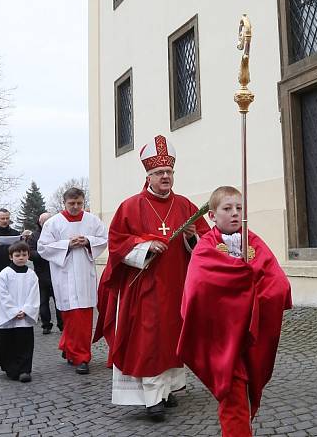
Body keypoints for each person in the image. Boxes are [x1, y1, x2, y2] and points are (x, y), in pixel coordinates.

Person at [95, 135, 209, 422]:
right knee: (149, 340)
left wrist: (192, 238)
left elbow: (208, 241)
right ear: (148, 176)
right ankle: (151, 398)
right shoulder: (130, 206)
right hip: (145, 288)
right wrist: (145, 246)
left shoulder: (184, 205)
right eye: (160, 173)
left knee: (173, 337)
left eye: (169, 172)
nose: (165, 177)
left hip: (177, 285)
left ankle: (167, 390)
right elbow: (117, 242)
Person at [178, 186, 292, 436]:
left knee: (248, 393)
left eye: (239, 208)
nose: (234, 213)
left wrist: (253, 293)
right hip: (220, 337)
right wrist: (239, 281)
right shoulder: (205, 246)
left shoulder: (253, 241)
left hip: (251, 335)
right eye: (227, 208)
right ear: (212, 215)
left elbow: (278, 283)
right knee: (233, 394)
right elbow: (198, 287)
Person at [38, 188, 108, 376]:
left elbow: (104, 239)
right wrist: (67, 244)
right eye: (72, 204)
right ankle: (70, 347)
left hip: (85, 275)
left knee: (83, 318)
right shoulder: (53, 223)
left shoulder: (92, 220)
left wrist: (87, 241)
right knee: (70, 316)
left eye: (79, 203)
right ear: (64, 203)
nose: (76, 207)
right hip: (65, 276)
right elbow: (43, 248)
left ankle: (81, 357)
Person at [0, 241, 40, 383]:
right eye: (17, 255)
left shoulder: (31, 275)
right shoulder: (5, 274)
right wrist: (13, 311)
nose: (21, 257)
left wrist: (26, 310)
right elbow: (2, 295)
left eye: (24, 255)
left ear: (28, 256)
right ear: (10, 256)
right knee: (9, 344)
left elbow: (34, 294)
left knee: (25, 344)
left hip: (25, 317)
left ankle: (25, 370)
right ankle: (11, 369)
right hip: (9, 318)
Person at [27, 212, 63, 335]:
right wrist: (43, 254)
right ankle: (46, 325)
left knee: (60, 301)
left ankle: (62, 325)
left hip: (57, 272)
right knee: (43, 302)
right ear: (40, 222)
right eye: (44, 222)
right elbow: (30, 253)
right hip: (41, 274)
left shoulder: (58, 233)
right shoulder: (34, 236)